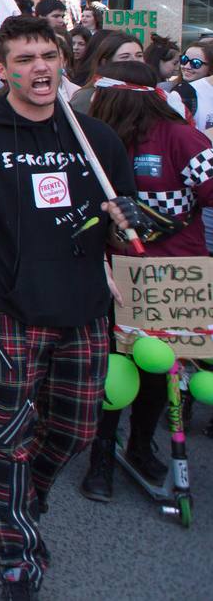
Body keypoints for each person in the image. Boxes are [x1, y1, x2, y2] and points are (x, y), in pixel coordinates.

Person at [0, 16, 139, 599]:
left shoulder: (98, 139)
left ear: (62, 62)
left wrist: (127, 225)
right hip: (6, 310)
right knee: (7, 434)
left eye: (47, 55)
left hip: (84, 308)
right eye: (23, 60)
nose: (39, 68)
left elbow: (120, 226)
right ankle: (15, 547)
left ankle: (27, 493)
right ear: (3, 71)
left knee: (75, 429)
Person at [77, 61, 210, 501]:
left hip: (174, 272)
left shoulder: (182, 137)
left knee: (160, 369)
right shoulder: (92, 140)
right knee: (114, 364)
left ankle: (139, 445)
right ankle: (100, 456)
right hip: (113, 271)